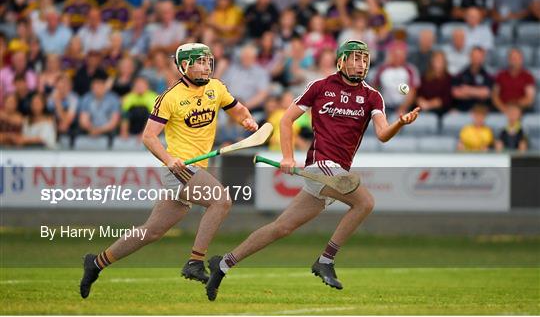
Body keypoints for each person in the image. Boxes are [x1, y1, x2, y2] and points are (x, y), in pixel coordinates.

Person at [204, 40, 420, 301]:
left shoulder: (372, 96)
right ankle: (326, 260)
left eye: (363, 59)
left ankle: (223, 264)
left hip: (335, 172)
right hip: (321, 165)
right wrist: (287, 156)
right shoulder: (320, 87)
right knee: (365, 202)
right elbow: (286, 120)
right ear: (340, 61)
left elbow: (383, 134)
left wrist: (400, 123)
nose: (359, 64)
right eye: (353, 58)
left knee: (281, 227)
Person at [79, 43, 259, 299]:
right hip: (179, 168)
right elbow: (149, 137)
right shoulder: (170, 97)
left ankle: (96, 263)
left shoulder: (216, 88)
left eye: (208, 61)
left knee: (150, 232)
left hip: (194, 169)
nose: (206, 66)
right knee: (221, 200)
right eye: (200, 62)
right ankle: (195, 262)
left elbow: (238, 110)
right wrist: (169, 158)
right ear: (184, 65)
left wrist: (247, 120)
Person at [492, 48, 536, 113]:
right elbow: (495, 96)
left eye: (517, 58)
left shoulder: (528, 76)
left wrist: (515, 108)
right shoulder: (500, 75)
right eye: (512, 58)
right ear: (508, 60)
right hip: (503, 108)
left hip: (521, 109)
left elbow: (529, 98)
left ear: (521, 59)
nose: (514, 60)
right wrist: (504, 109)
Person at [451, 46, 493, 112]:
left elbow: (486, 93)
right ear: (470, 56)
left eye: (479, 57)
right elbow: (456, 93)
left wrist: (467, 90)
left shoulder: (487, 75)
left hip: (481, 111)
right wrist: (478, 93)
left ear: (483, 58)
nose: (476, 59)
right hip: (463, 110)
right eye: (474, 56)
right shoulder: (461, 73)